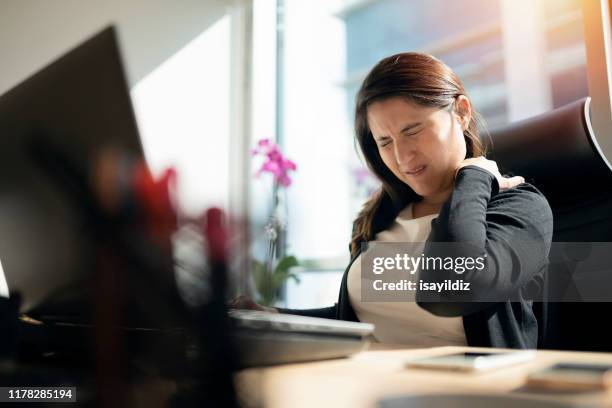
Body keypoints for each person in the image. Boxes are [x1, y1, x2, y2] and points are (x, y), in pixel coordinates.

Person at [232, 52, 553, 349]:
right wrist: (271, 316)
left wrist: (474, 176)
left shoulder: (521, 207)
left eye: (413, 130)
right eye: (385, 141)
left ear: (462, 112)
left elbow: (449, 290)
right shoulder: (381, 215)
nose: (402, 156)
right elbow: (363, 321)